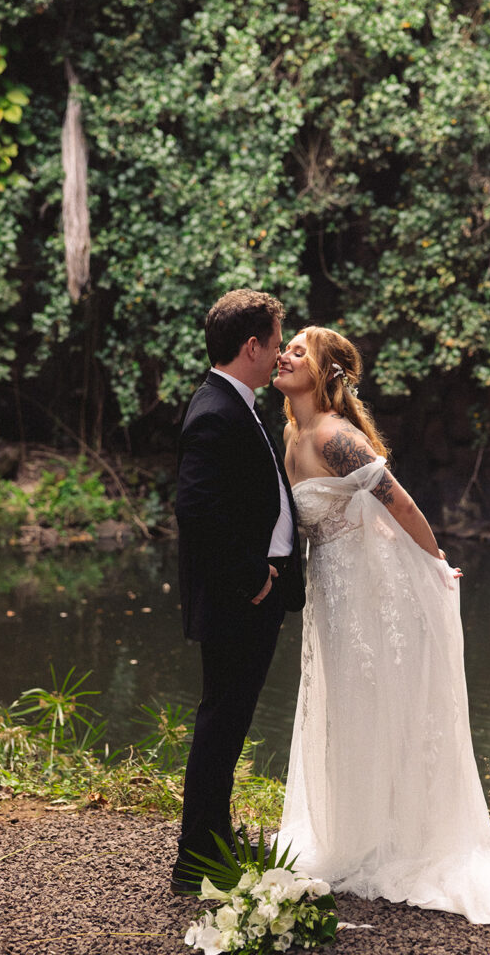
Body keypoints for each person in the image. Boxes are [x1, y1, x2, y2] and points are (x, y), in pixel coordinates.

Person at [273, 326, 490, 925]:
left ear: (324, 371)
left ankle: (403, 839)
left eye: (298, 350)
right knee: (346, 706)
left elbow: (398, 502)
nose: (284, 354)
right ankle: (356, 830)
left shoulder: (333, 436)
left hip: (369, 591)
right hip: (331, 590)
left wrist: (434, 563)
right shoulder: (292, 433)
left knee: (378, 700)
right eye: (286, 347)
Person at [171, 289, 305, 894]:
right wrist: (253, 576)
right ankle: (196, 860)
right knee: (221, 722)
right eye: (275, 343)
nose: (279, 355)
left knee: (228, 723)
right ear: (252, 346)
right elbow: (196, 509)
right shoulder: (215, 410)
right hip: (239, 596)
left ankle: (213, 842)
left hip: (255, 593)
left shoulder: (235, 403)